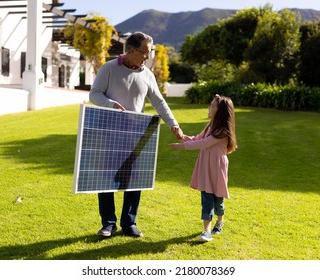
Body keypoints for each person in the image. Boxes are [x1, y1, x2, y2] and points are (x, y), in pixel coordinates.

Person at [89, 31, 183, 238]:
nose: (147, 57)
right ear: (131, 50)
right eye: (144, 52)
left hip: (136, 133)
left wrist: (173, 125)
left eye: (149, 53)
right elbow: (94, 94)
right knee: (106, 179)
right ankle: (108, 224)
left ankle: (129, 223)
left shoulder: (147, 75)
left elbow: (159, 102)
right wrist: (111, 104)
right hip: (110, 131)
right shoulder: (109, 69)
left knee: (134, 179)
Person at [169, 95, 237, 242]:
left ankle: (220, 221)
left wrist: (182, 147)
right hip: (206, 166)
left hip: (217, 167)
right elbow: (197, 139)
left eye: (213, 106)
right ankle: (206, 231)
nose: (209, 107)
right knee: (206, 198)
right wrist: (181, 137)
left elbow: (204, 143)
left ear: (221, 111)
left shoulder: (223, 130)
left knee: (218, 201)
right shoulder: (210, 126)